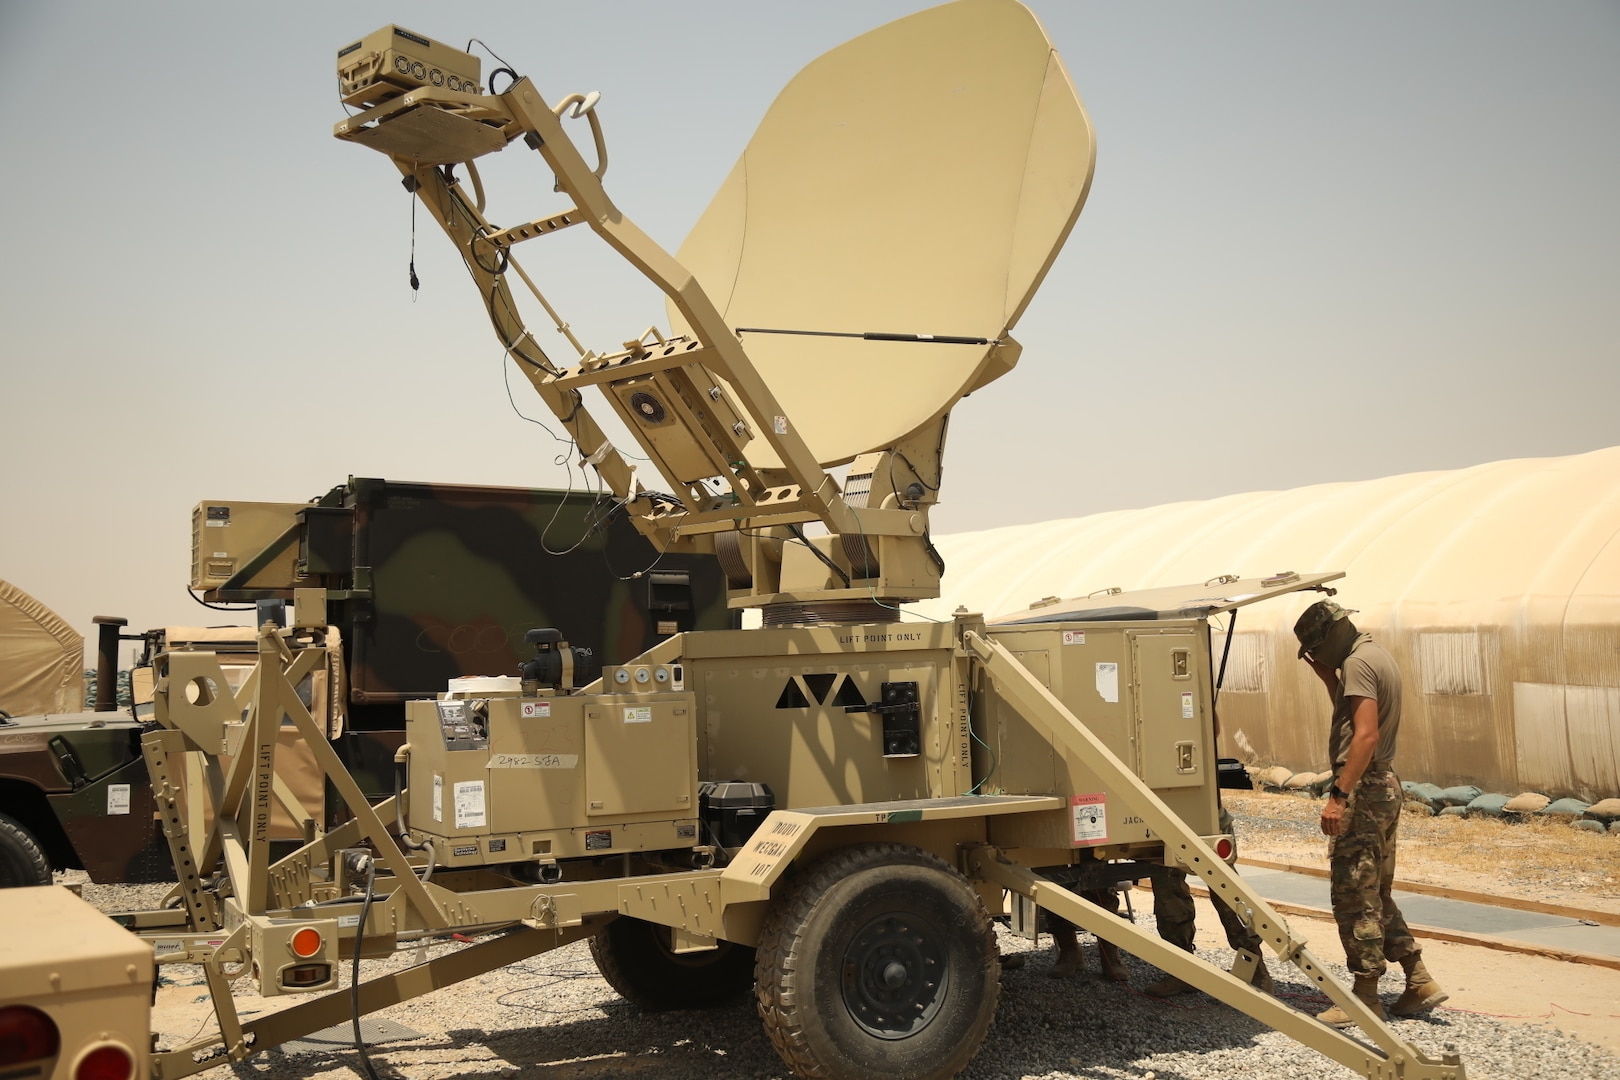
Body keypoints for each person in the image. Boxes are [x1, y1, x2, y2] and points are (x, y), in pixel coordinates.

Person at [1294, 599, 1448, 1027]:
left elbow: (1365, 735)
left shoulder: (1358, 663)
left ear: (1329, 637)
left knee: (1352, 894)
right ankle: (1418, 980)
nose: (1316, 658)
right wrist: (1330, 681)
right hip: (1383, 785)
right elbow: (1353, 715)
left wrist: (1339, 795)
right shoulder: (1374, 655)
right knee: (1375, 891)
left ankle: (1365, 995)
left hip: (1362, 788)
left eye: (1314, 650)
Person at [1139, 802, 1275, 998]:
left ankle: (1257, 969)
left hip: (1206, 818)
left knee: (1227, 894)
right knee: (1168, 892)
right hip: (1161, 820)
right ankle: (1182, 971)